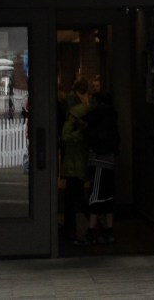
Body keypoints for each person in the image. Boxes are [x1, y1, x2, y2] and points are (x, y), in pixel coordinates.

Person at [80, 91, 120, 245]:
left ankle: (91, 233)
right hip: (109, 161)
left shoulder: (96, 117)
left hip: (98, 161)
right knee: (108, 195)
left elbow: (90, 136)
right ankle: (109, 231)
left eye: (93, 101)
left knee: (95, 195)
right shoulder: (112, 117)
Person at [60, 80, 90, 244]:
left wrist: (71, 125)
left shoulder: (76, 129)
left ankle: (77, 230)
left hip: (74, 168)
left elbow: (65, 137)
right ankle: (83, 228)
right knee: (75, 199)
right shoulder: (85, 109)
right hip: (77, 167)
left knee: (73, 200)